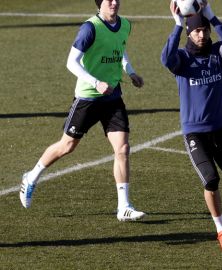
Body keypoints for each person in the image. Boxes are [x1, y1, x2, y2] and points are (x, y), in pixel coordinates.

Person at [19, 0, 146, 222]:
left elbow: (120, 48)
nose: (114, 3)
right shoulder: (90, 28)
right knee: (67, 145)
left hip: (113, 97)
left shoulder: (125, 24)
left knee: (122, 149)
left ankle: (124, 206)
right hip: (88, 97)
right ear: (100, 3)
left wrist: (131, 71)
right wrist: (95, 82)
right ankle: (31, 177)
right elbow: (71, 62)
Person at [161, 0, 222, 252]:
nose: (202, 35)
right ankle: (220, 229)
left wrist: (211, 16)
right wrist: (177, 25)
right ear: (189, 33)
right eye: (197, 31)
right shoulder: (182, 59)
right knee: (210, 179)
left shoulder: (218, 54)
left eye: (204, 30)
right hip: (195, 133)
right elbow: (165, 57)